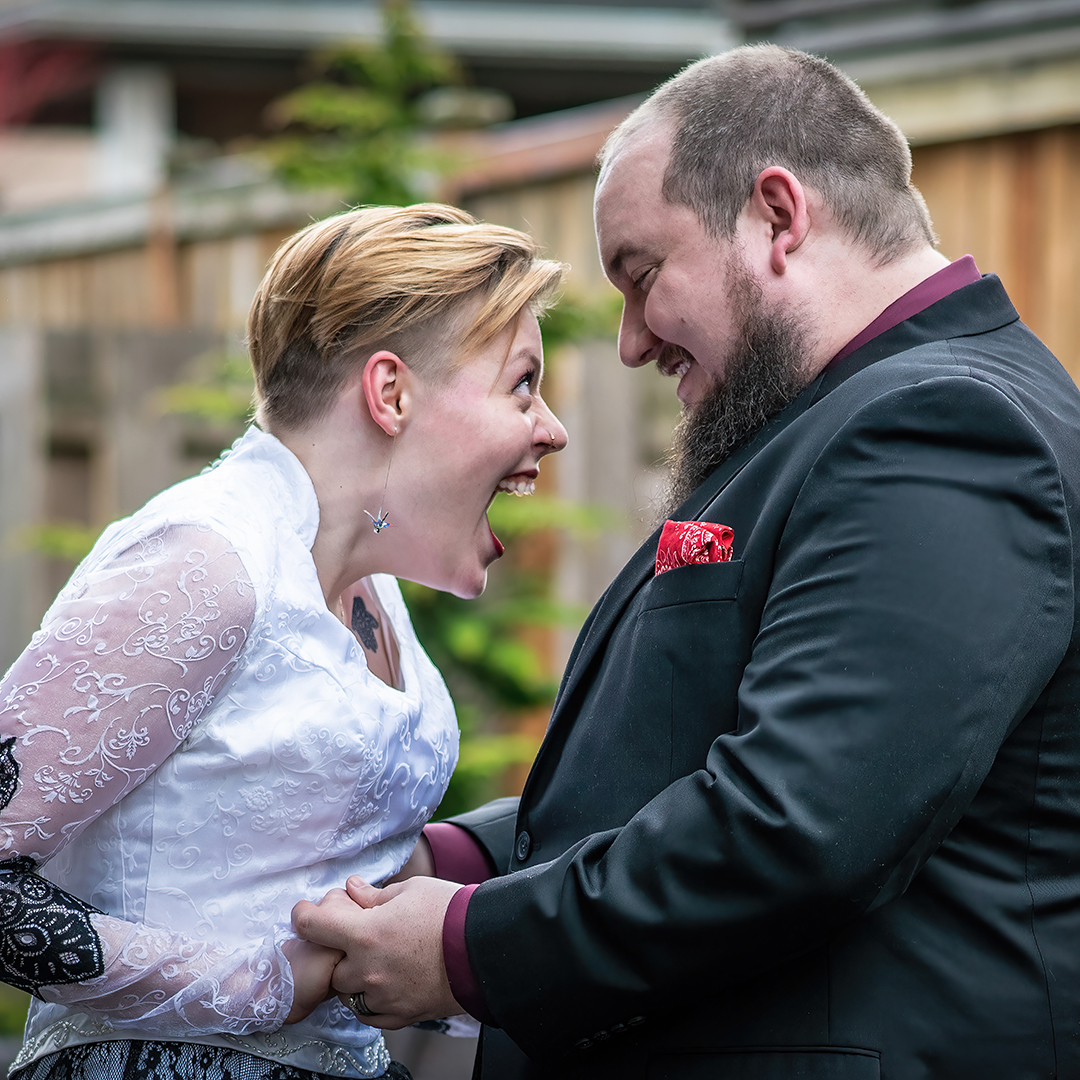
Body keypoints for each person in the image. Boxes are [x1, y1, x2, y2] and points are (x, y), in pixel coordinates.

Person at [292, 44, 1080, 1079]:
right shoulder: (840, 421)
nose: (630, 341)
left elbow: (799, 824)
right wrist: (461, 859)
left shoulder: (946, 427)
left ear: (778, 217)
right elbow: (681, 762)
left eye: (642, 274)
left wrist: (469, 949)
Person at [0, 203, 567, 1080]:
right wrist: (259, 984)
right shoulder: (204, 559)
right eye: (522, 385)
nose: (552, 428)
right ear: (391, 393)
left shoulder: (369, 592)